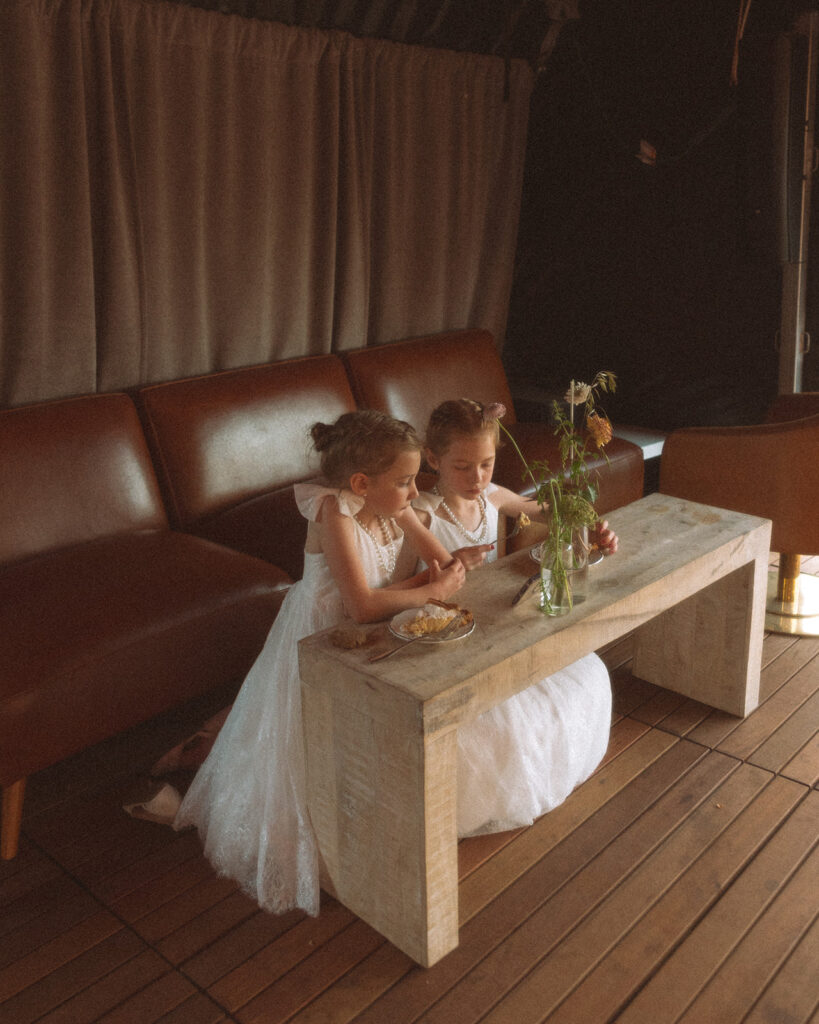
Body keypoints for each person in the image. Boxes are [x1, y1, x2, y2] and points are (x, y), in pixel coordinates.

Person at [152, 410, 466, 918]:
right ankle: (214, 748)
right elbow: (361, 605)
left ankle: (221, 736)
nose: (415, 492)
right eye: (406, 482)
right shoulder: (333, 513)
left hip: (361, 633)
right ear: (362, 483)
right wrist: (430, 590)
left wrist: (448, 563)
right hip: (320, 636)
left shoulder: (393, 503)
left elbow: (439, 559)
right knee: (301, 735)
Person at [412, 397, 615, 837]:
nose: (477, 478)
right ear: (433, 459)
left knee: (587, 676)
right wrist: (447, 567)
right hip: (446, 639)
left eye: (486, 464)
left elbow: (550, 513)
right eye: (462, 467)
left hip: (495, 630)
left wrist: (593, 529)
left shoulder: (493, 497)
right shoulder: (423, 514)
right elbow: (403, 587)